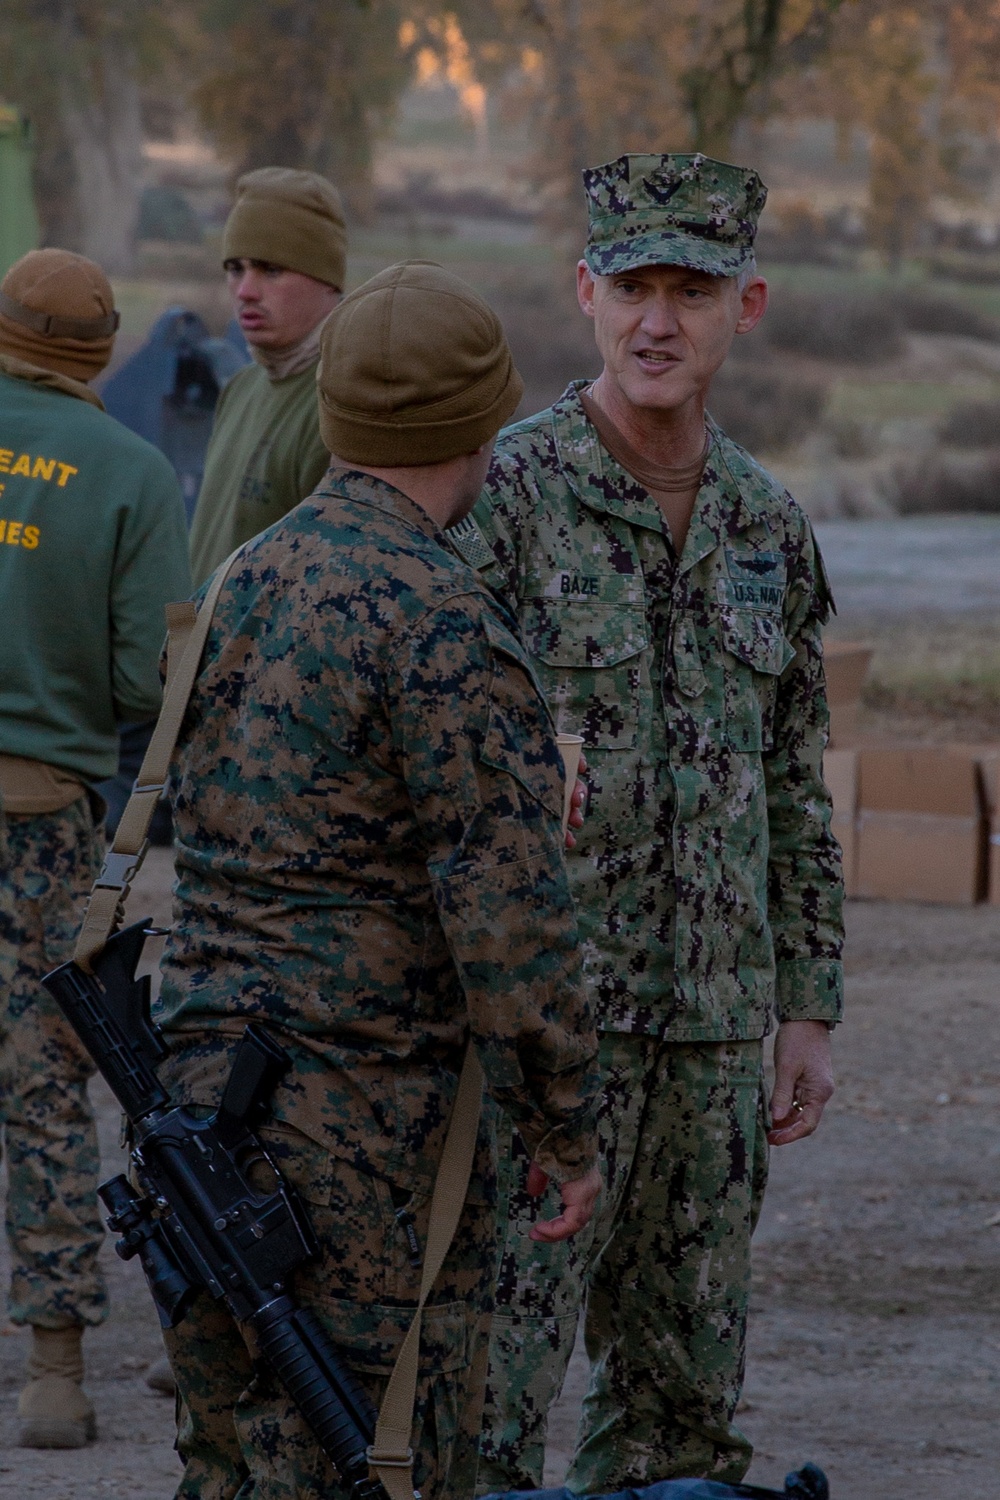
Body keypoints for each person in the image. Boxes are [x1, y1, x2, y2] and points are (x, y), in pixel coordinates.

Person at [154, 260, 602, 1500]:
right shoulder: (444, 622)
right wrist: (565, 1129)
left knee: (229, 1465)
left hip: (201, 1113)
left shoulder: (247, 576)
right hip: (360, 1152)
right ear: (481, 429)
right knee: (376, 1463)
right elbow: (512, 929)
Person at [449, 153, 845, 1493]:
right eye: (633, 287)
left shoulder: (767, 528)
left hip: (720, 1042)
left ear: (752, 304)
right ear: (584, 295)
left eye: (693, 288)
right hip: (552, 1037)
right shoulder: (505, 501)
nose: (660, 320)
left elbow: (794, 787)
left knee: (682, 1419)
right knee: (489, 1397)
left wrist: (809, 1008)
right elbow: (440, 779)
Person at [0, 248, 191, 1447]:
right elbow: (145, 681)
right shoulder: (129, 470)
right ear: (102, 354)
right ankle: (56, 1374)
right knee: (43, 1086)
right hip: (41, 824)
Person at [187, 166, 346, 587]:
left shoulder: (341, 406)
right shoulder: (241, 387)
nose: (245, 291)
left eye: (270, 270)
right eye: (235, 269)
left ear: (327, 280)